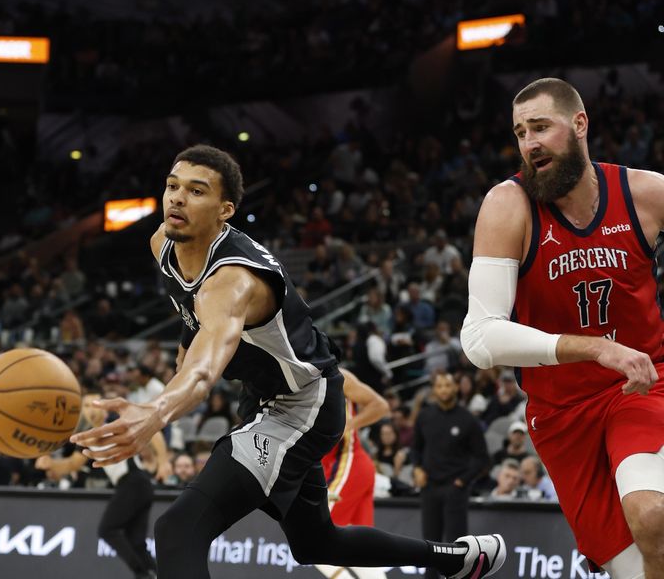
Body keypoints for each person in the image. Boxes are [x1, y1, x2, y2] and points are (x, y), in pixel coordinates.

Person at [72, 144, 505, 579]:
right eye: (172, 186)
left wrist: (156, 411)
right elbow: (195, 322)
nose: (177, 198)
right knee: (316, 542)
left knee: (177, 530)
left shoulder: (235, 281)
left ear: (225, 210)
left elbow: (205, 369)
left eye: (196, 191)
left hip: (303, 403)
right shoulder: (163, 244)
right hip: (262, 398)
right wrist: (182, 362)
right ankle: (457, 559)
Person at [461, 77, 664, 578]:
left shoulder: (643, 192)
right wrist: (594, 349)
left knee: (652, 515)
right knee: (635, 569)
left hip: (639, 385)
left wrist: (613, 356)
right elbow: (480, 337)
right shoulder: (508, 206)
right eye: (520, 132)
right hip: (561, 416)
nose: (529, 143)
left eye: (540, 127)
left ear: (579, 125)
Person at [37, 393, 169, 579]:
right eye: (87, 406)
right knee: (137, 542)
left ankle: (142, 574)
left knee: (107, 530)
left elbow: (154, 433)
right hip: (137, 486)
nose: (90, 409)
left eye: (94, 405)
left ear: (103, 408)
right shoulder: (88, 437)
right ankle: (158, 575)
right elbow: (72, 465)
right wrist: (50, 465)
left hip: (134, 482)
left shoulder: (114, 425)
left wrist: (163, 462)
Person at [412, 373, 491, 579]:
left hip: (455, 489)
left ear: (455, 387)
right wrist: (417, 468)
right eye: (440, 386)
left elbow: (481, 458)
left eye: (448, 385)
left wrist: (462, 481)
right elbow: (416, 449)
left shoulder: (468, 419)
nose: (444, 390)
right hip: (429, 487)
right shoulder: (424, 416)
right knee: (429, 545)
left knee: (457, 545)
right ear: (434, 390)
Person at [316, 367, 390, 579]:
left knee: (312, 536)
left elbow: (380, 405)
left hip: (348, 464)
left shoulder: (338, 376)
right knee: (362, 551)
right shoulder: (294, 379)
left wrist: (349, 425)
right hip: (339, 467)